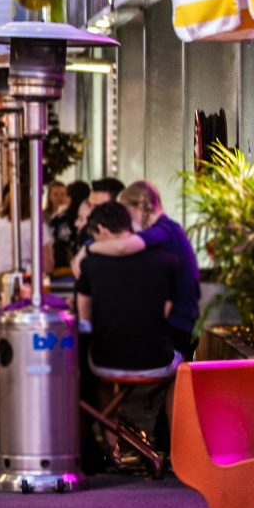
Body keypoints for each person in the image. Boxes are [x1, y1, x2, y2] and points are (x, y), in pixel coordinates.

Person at [74, 201, 182, 456]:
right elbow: (165, 312)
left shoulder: (91, 265)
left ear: (101, 230)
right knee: (182, 370)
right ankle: (176, 448)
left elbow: (85, 318)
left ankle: (112, 444)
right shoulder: (167, 260)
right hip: (156, 358)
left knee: (101, 381)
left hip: (106, 360)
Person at [81, 180, 200, 359]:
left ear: (140, 206)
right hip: (179, 321)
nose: (127, 222)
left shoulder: (164, 230)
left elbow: (123, 247)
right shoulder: (169, 229)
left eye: (127, 213)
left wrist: (90, 248)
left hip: (177, 324)